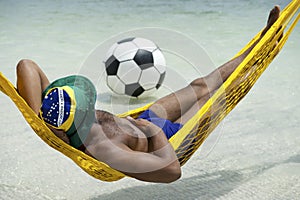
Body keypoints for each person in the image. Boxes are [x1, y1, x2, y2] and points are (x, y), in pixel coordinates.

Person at [15, 6, 280, 183]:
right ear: (82, 115)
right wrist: (154, 133)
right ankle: (265, 58)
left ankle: (257, 47)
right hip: (168, 139)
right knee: (221, 98)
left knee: (200, 85)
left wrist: (40, 116)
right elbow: (172, 171)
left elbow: (26, 65)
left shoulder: (55, 115)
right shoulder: (105, 150)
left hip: (143, 119)